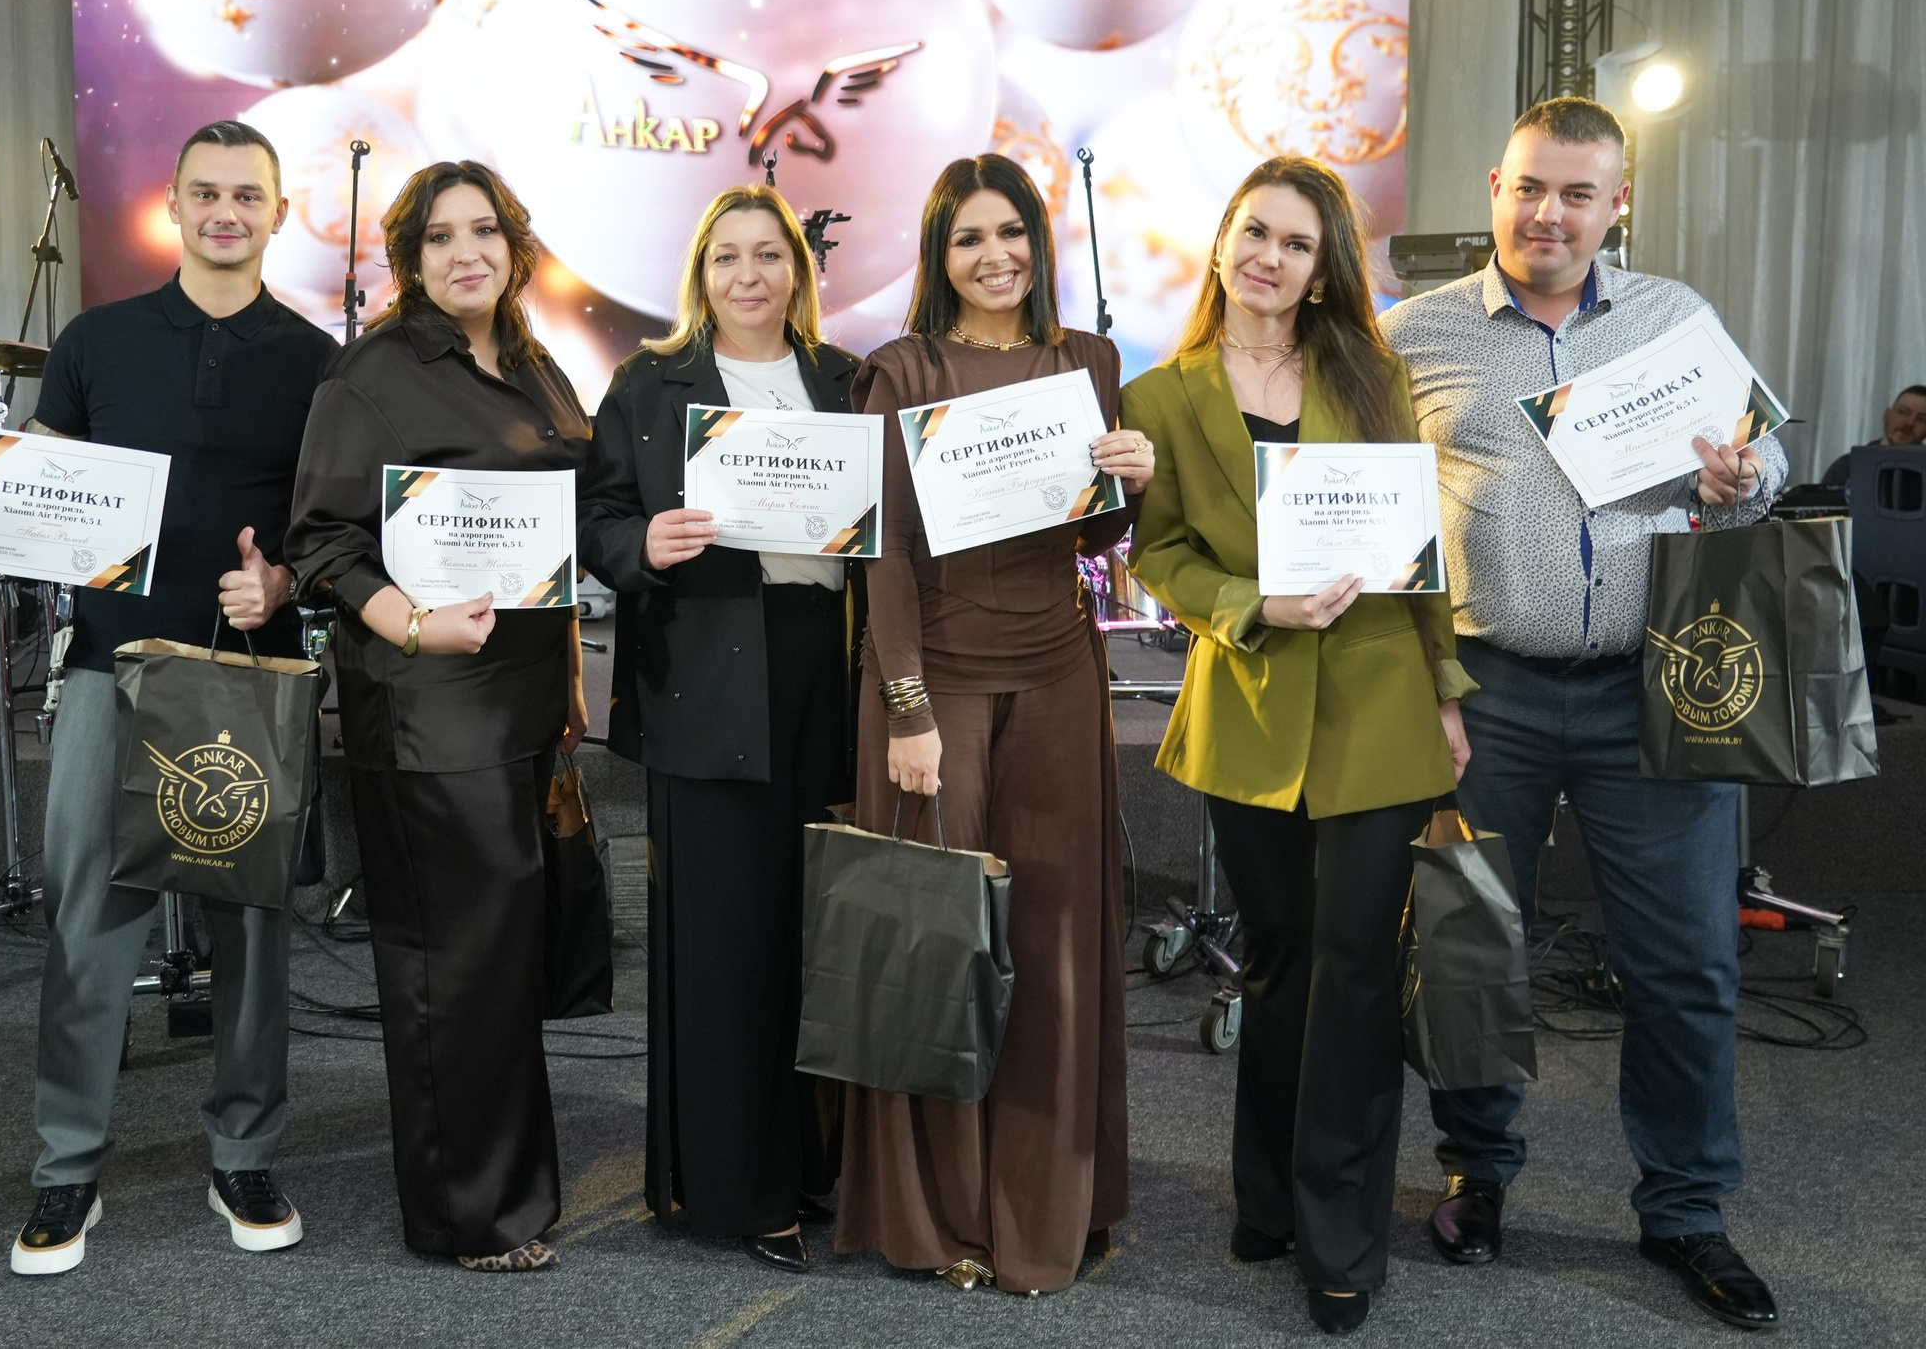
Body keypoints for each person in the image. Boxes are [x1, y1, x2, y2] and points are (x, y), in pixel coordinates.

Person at [1382, 97, 1784, 1331]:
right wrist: (1423, 690)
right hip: (1480, 690)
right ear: (1491, 189)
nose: (1546, 214)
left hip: (1650, 692)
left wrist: (1740, 480)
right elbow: (1378, 522)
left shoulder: (1677, 321)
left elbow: (1759, 475)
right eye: (1526, 189)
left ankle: (1684, 1211)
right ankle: (1477, 1173)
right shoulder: (1413, 336)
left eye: (1575, 194)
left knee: (1684, 964)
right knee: (1466, 949)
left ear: (1618, 203)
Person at [0, 120, 336, 1274]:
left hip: (249, 677)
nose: (226, 212)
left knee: (253, 931)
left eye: (248, 194)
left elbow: (331, 525)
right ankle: (66, 1172)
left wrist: (283, 579)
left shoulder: (318, 358)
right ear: (175, 205)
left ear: (278, 212)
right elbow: (40, 478)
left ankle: (243, 1152)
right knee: (89, 924)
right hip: (106, 668)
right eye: (206, 192)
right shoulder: (95, 341)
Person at [1122, 157, 1475, 1337]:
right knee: (1275, 962)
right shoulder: (1161, 395)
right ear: (1223, 243)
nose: (1270, 258)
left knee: (1355, 969)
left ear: (1324, 269)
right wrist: (1245, 605)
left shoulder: (1366, 372)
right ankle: (1265, 1197)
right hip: (1251, 708)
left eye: (1297, 243)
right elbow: (1157, 554)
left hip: (1377, 706)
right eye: (1254, 232)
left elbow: (1417, 546)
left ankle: (1338, 1237)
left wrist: (1445, 689)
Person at [835, 152, 1155, 1295]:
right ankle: (940, 1214)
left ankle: (1047, 1202)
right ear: (939, 256)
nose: (995, 256)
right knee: (940, 944)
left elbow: (1087, 536)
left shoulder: (1089, 362)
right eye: (970, 238)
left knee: (1057, 946)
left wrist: (1132, 478)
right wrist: (906, 708)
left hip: (1060, 674)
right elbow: (886, 558)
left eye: (1011, 232)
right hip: (936, 685)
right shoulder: (901, 369)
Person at [284, 160, 590, 1273]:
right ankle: (468, 1214)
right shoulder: (371, 373)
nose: (468, 253)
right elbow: (318, 539)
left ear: (514, 245)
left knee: (501, 954)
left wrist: (565, 667)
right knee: (447, 964)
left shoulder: (536, 365)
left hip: (519, 700)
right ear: (409, 260)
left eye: (487, 232)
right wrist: (409, 624)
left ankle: (507, 1191)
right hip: (425, 701)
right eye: (441, 238)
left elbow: (553, 530)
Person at [577, 184, 858, 1273]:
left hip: (820, 679)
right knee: (724, 948)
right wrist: (642, 543)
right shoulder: (651, 386)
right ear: (701, 275)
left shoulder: (842, 381)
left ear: (798, 269)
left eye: (769, 256)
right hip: (706, 677)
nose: (749, 276)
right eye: (727, 258)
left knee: (807, 940)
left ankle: (804, 1165)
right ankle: (737, 1191)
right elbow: (593, 521)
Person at [1822, 384, 1926, 489]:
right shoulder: (1849, 466)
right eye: (1903, 412)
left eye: (1922, 419)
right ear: (1887, 416)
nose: (1909, 423)